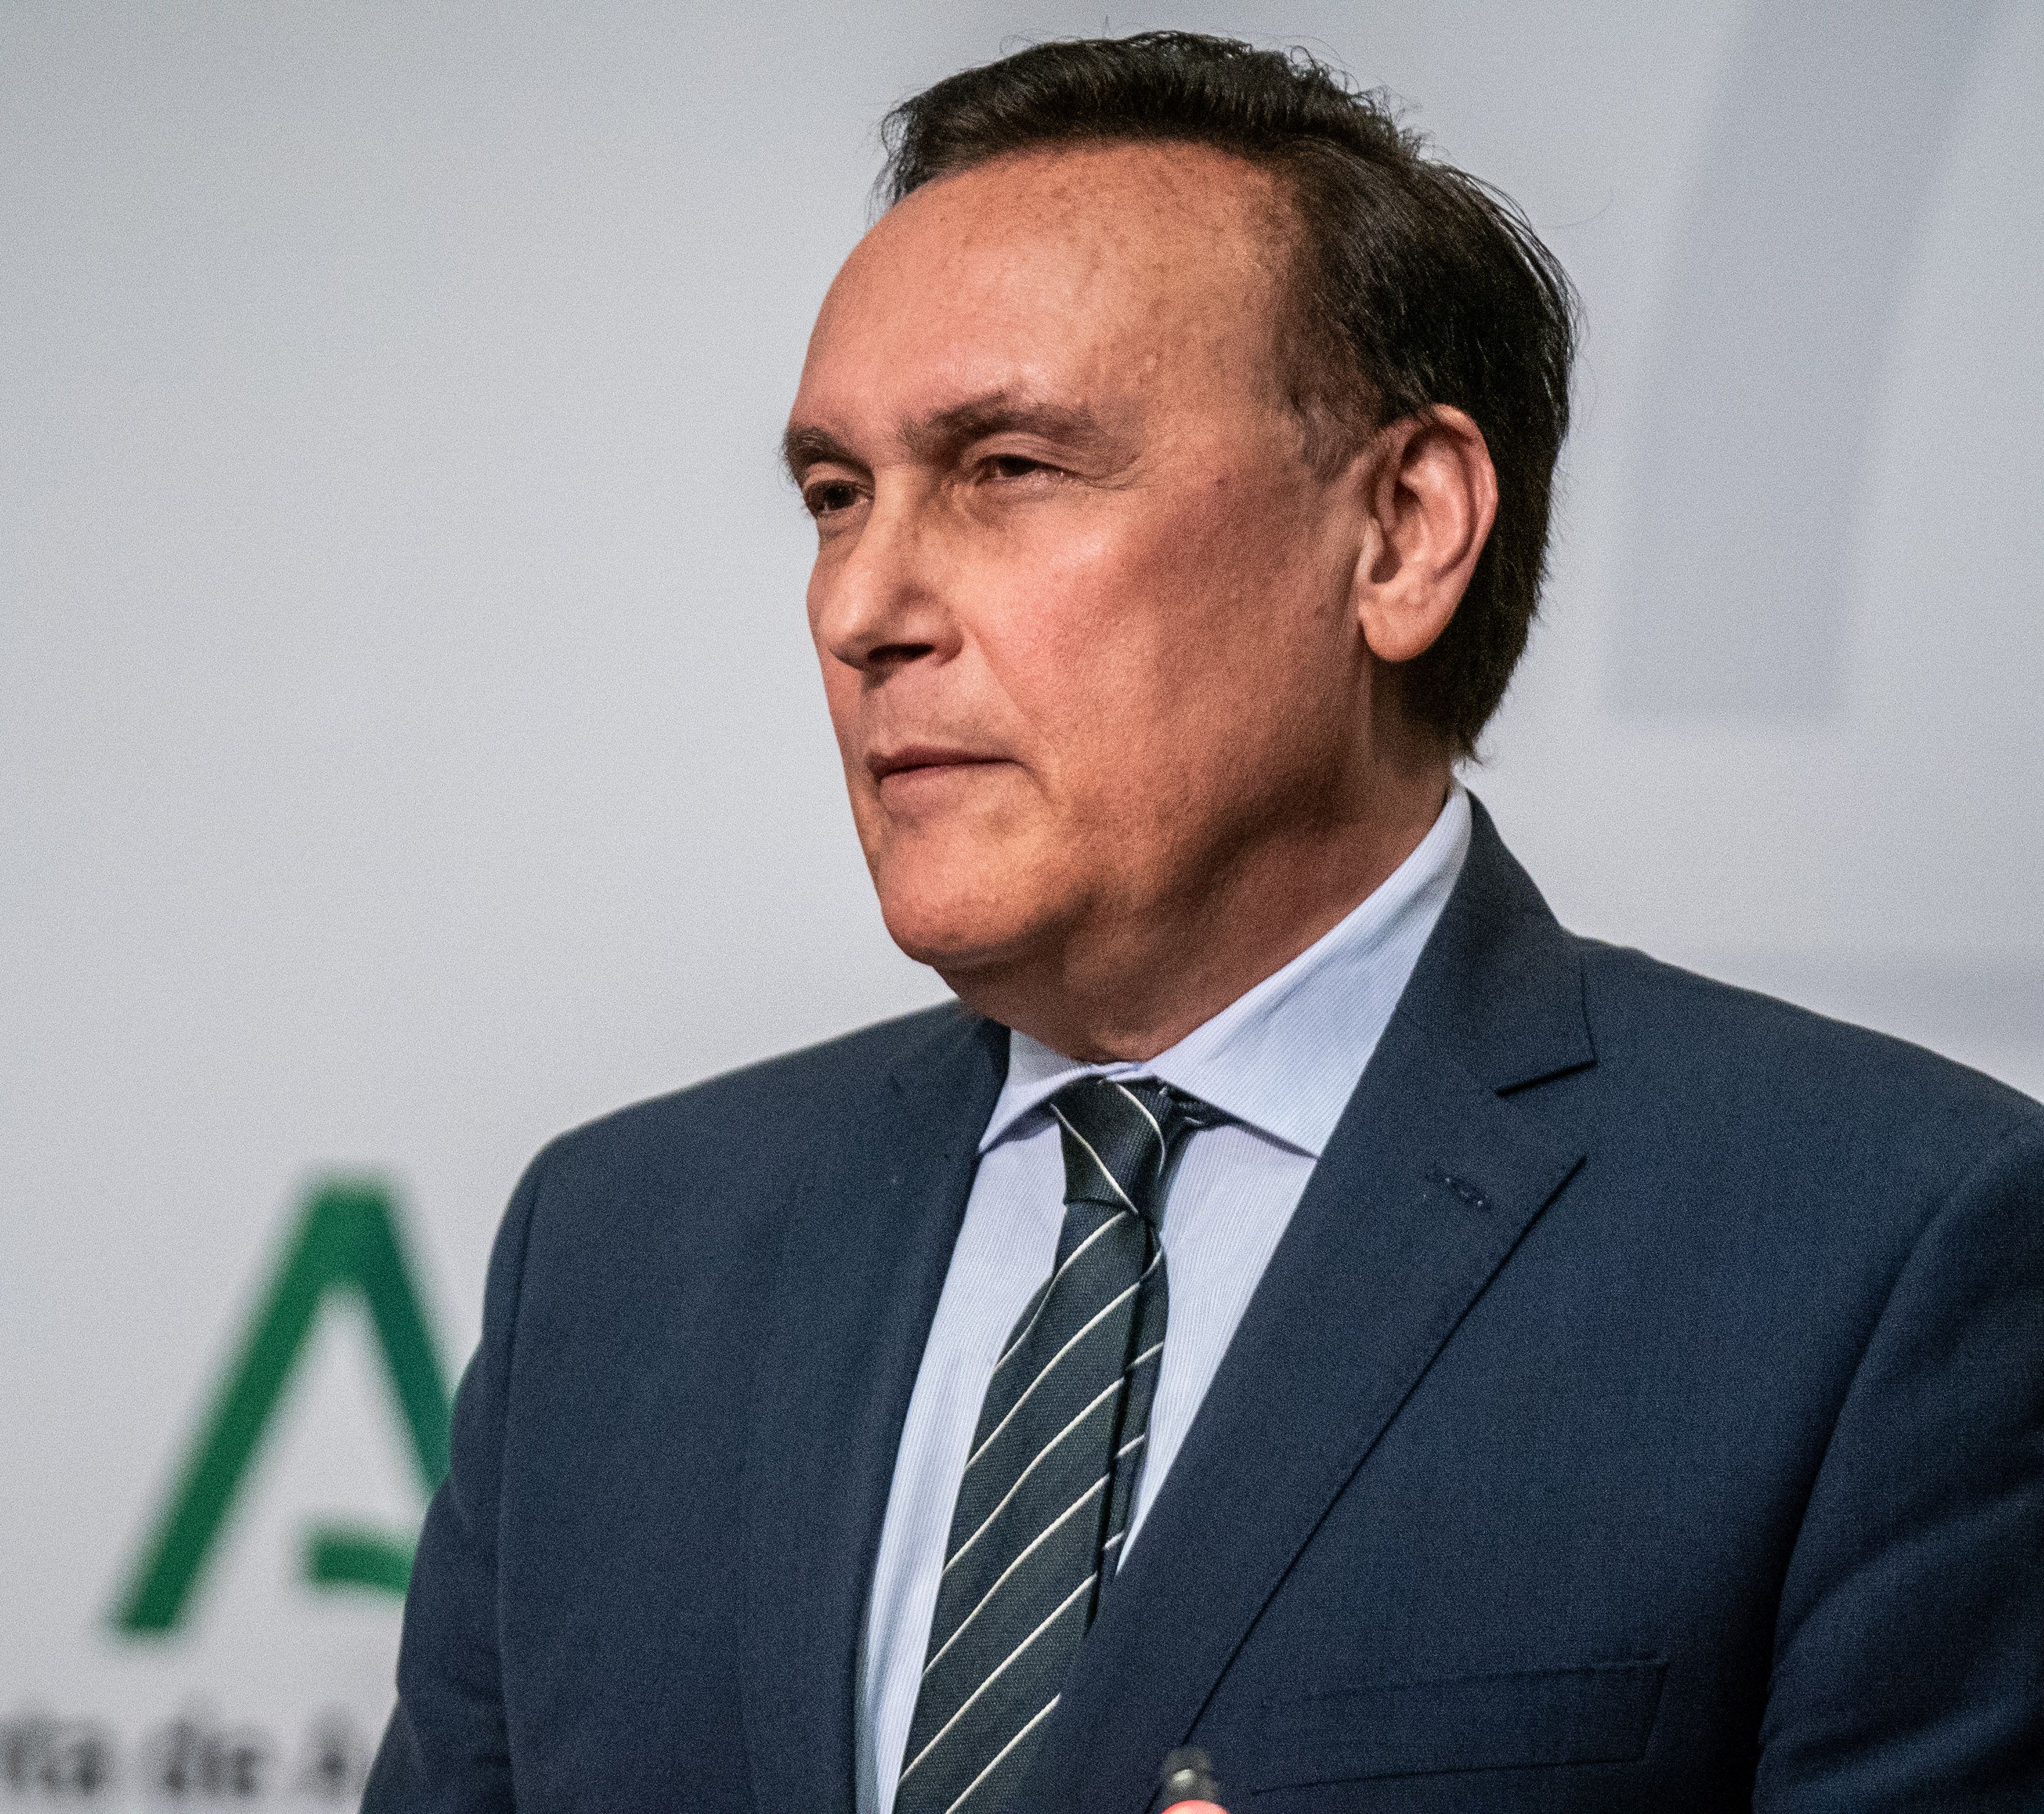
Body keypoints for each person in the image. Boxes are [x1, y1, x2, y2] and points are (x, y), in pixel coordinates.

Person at [364, 32, 2044, 1814]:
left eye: (1009, 467)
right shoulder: (622, 1253)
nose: (860, 607)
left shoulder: (1881, 1250)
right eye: (837, 497)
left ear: (1401, 532)